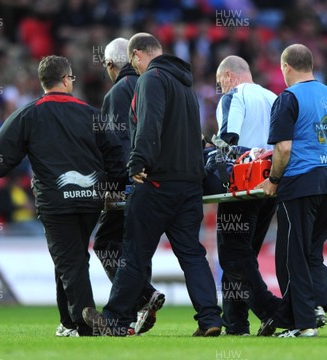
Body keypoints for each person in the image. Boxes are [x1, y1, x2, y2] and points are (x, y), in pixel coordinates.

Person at [0, 55, 127, 337]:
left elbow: (3, 148)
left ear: (43, 82)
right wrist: (115, 187)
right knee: (71, 257)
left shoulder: (29, 115)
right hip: (90, 199)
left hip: (56, 201)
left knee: (70, 260)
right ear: (67, 79)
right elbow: (116, 154)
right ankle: (68, 322)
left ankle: (84, 317)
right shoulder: (92, 115)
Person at [82, 33, 223, 336]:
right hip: (189, 184)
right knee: (192, 254)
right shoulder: (185, 85)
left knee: (134, 253)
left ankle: (116, 320)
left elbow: (150, 123)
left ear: (135, 56)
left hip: (157, 182)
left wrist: (137, 162)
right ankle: (210, 319)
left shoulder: (152, 78)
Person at [257, 44, 327, 338]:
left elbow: (283, 148)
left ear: (285, 67)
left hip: (300, 184)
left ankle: (305, 323)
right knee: (312, 251)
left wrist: (273, 180)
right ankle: (317, 306)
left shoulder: (288, 98)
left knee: (293, 255)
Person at [93, 37, 163, 335]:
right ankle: (139, 308)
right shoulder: (157, 85)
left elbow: (116, 145)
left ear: (111, 65)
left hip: (130, 182)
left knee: (106, 243)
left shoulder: (119, 91)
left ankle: (144, 296)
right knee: (136, 247)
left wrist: (113, 185)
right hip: (164, 181)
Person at [213, 55, 280, 336]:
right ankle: (236, 322)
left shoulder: (233, 96)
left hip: (244, 184)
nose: (221, 89)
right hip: (271, 184)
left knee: (232, 254)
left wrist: (211, 153)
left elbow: (228, 143)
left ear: (229, 76)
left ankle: (272, 310)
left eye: (220, 83)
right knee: (244, 254)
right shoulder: (274, 97)